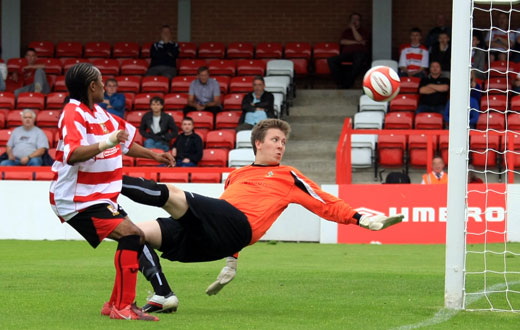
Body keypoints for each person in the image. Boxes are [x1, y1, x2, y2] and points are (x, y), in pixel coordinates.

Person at [119, 119, 404, 312]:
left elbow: (323, 202)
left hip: (238, 227)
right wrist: (231, 262)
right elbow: (220, 214)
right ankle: (163, 295)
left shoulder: (287, 175)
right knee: (133, 233)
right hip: (213, 238)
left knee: (171, 193)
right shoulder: (236, 176)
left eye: (284, 141)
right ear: (258, 143)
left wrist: (360, 218)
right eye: (275, 140)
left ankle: (104, 179)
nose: (281, 145)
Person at [49, 62, 174, 321]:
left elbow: (126, 142)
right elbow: (72, 155)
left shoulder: (101, 114)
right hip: (77, 199)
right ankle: (123, 307)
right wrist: (107, 141)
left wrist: (155, 156)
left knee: (135, 237)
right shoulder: (73, 114)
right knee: (132, 235)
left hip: (100, 196)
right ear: (92, 86)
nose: (105, 85)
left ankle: (115, 305)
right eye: (101, 81)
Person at [327, 12, 370, 89]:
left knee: (359, 60)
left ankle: (347, 83)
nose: (355, 21)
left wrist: (353, 28)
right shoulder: (346, 31)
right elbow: (342, 41)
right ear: (350, 20)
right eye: (353, 19)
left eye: (357, 19)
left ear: (360, 21)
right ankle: (340, 82)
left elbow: (359, 38)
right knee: (331, 60)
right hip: (347, 54)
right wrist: (358, 42)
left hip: (360, 54)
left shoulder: (364, 31)